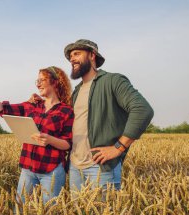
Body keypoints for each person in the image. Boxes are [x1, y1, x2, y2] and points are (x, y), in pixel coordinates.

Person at [0, 66, 74, 204]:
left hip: (52, 170)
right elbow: (1, 108)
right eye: (37, 80)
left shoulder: (67, 111)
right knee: (19, 210)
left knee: (51, 214)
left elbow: (67, 143)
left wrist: (49, 139)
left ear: (55, 82)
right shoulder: (31, 105)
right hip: (28, 169)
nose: (38, 83)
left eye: (42, 80)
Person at [62, 39, 154, 193]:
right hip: (75, 167)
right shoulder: (76, 91)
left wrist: (119, 147)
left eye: (77, 54)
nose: (72, 59)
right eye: (70, 56)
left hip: (100, 167)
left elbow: (142, 109)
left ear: (92, 55)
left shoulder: (113, 81)